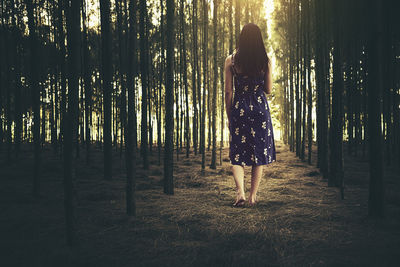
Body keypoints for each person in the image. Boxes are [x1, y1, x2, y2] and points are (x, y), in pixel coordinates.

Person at [224, 23, 276, 208]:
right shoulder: (266, 60)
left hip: (240, 109)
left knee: (237, 153)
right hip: (260, 110)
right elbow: (268, 89)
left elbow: (228, 92)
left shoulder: (231, 61)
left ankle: (240, 193)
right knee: (258, 154)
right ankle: (253, 197)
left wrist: (230, 117)